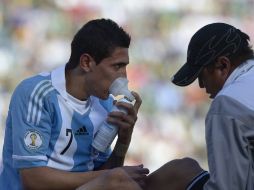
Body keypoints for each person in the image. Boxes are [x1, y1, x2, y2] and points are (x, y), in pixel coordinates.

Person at [0, 18, 149, 190]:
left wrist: (123, 140)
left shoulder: (105, 104)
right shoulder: (37, 93)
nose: (124, 77)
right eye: (117, 66)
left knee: (180, 169)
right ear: (86, 62)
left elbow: (101, 172)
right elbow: (33, 179)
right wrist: (110, 177)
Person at [172, 22, 254, 189]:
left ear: (223, 65)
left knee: (178, 173)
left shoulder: (227, 105)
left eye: (202, 76)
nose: (202, 86)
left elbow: (227, 187)